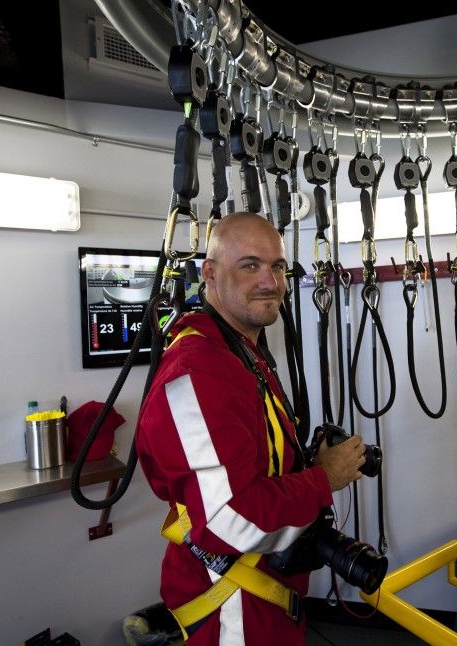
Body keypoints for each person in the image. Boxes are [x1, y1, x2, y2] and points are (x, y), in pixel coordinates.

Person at [137, 212, 368, 645]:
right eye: (250, 265)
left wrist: (308, 467)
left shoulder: (239, 353)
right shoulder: (199, 371)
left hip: (264, 602)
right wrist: (323, 479)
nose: (270, 281)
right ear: (209, 272)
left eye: (277, 266)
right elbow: (228, 521)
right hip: (230, 613)